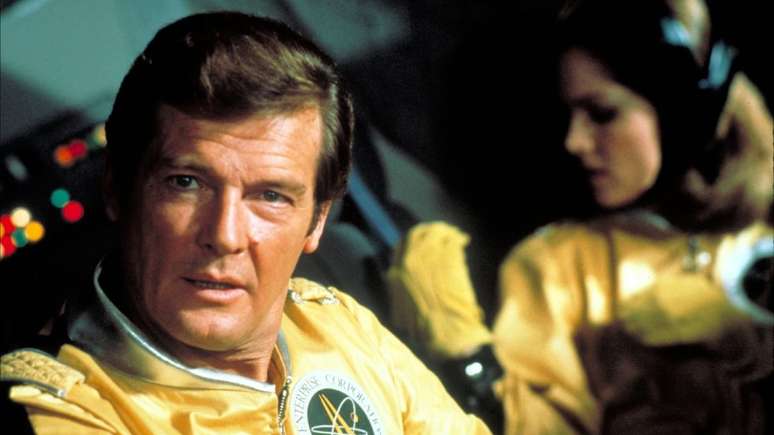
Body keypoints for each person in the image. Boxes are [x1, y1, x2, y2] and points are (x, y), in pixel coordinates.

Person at [0, 12, 491, 434]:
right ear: (118, 189)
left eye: (271, 196)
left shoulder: (338, 324)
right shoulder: (59, 408)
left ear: (317, 221)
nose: (225, 235)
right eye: (186, 183)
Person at [388, 0, 773, 433]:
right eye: (570, 113)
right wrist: (468, 354)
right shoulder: (560, 267)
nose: (575, 141)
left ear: (681, 110)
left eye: (603, 114)